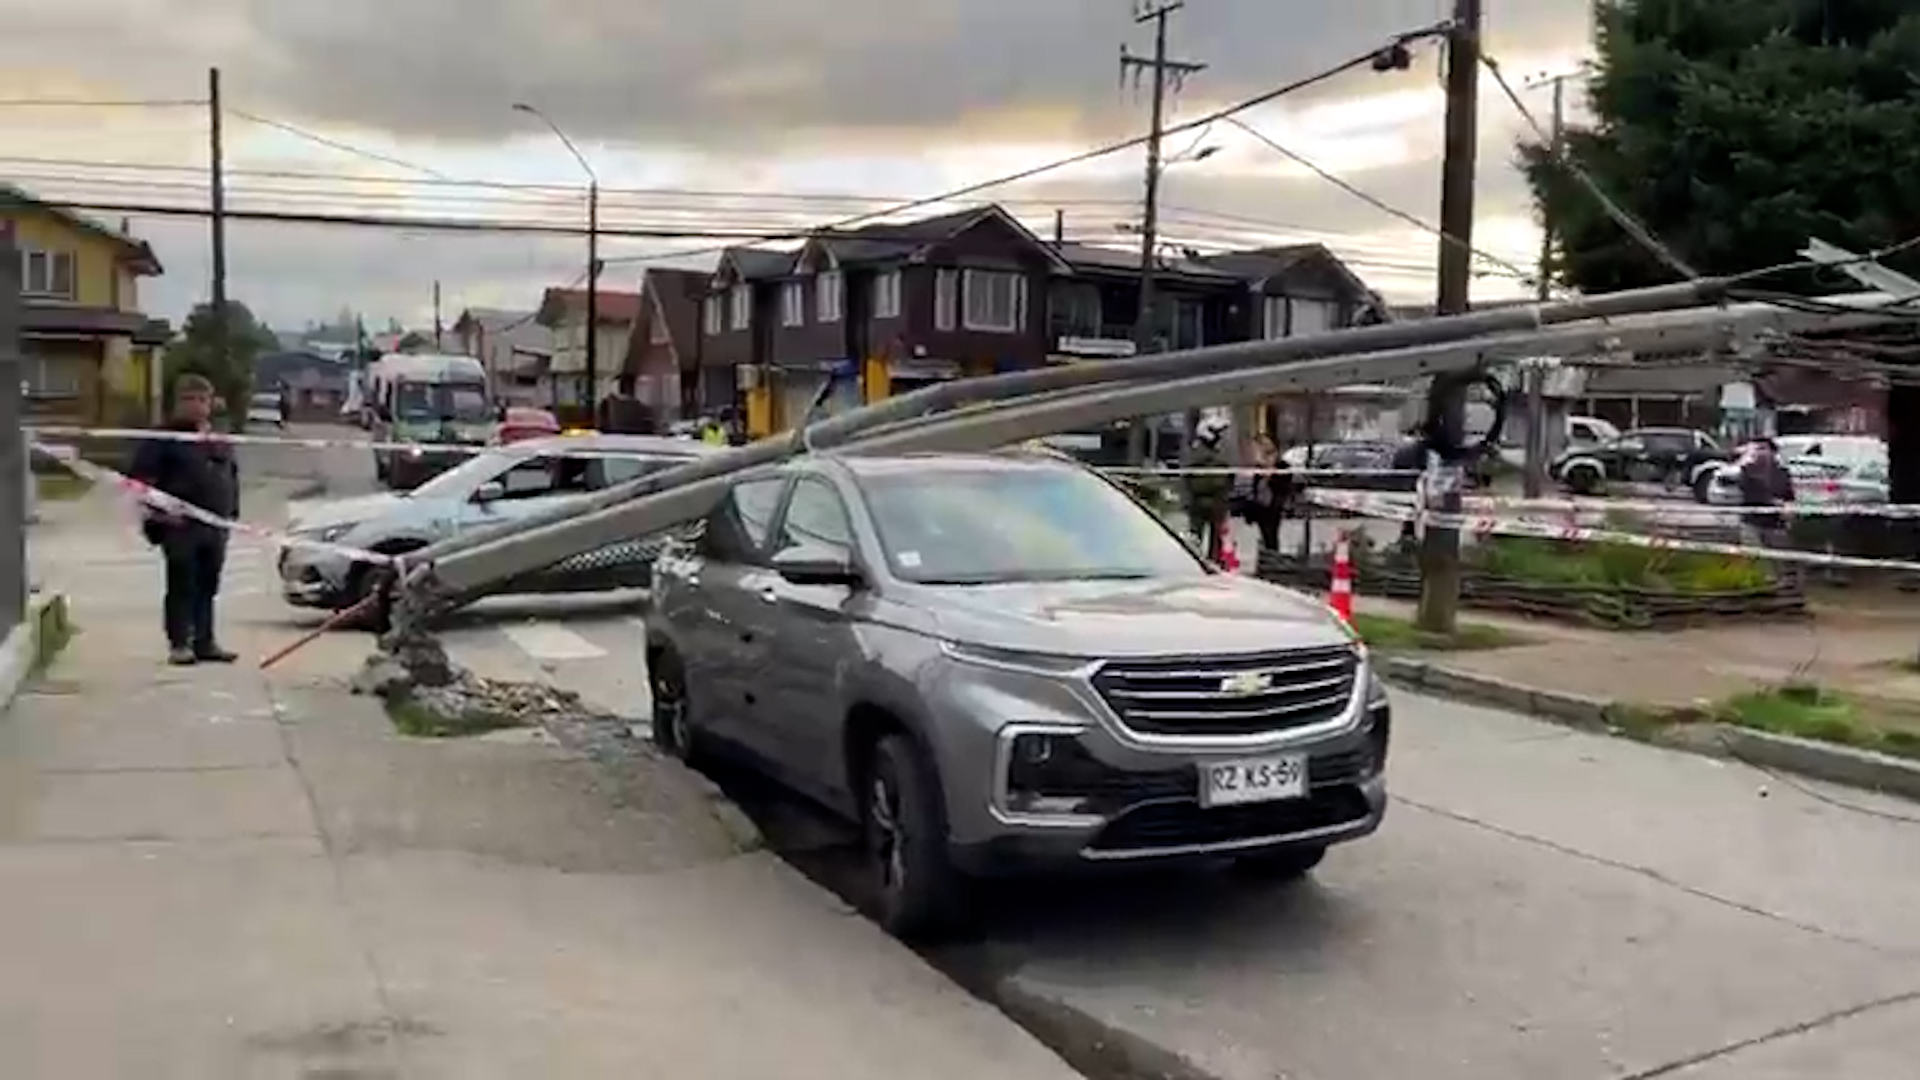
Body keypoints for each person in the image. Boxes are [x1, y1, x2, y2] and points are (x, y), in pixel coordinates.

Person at [130, 374, 239, 665]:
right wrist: (159, 515)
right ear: (177, 402)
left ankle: (205, 642)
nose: (196, 406)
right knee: (182, 584)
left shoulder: (215, 436)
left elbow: (230, 474)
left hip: (215, 524)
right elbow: (141, 481)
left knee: (208, 585)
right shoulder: (163, 438)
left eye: (202, 399)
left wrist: (232, 514)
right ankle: (180, 643)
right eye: (189, 399)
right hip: (179, 526)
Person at [1183, 416, 1233, 561]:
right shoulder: (1197, 453)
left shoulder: (1219, 452)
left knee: (1217, 540)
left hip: (1217, 503)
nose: (1220, 437)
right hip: (1200, 503)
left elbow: (1229, 477)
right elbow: (1189, 479)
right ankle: (1194, 562)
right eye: (1217, 433)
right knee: (1195, 538)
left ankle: (1214, 562)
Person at [1737, 437, 1795, 548]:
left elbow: (1789, 494)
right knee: (1754, 556)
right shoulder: (1747, 471)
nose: (1759, 452)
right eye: (1756, 449)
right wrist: (1775, 502)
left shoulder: (1782, 472)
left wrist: (1788, 507)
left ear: (1772, 452)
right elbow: (1751, 493)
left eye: (1762, 448)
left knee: (1777, 557)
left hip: (1776, 523)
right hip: (1752, 521)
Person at [1246, 434, 1292, 553]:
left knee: (1271, 533)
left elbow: (1284, 485)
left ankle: (1272, 555)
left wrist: (1270, 476)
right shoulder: (1259, 467)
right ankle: (1269, 554)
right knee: (1266, 534)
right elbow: (1255, 486)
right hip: (1261, 505)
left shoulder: (1282, 466)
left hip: (1273, 504)